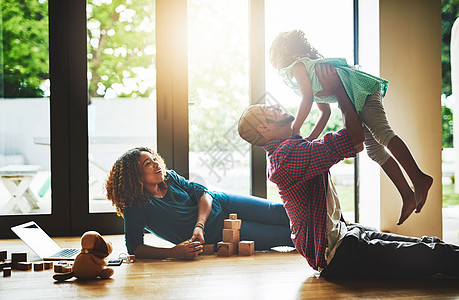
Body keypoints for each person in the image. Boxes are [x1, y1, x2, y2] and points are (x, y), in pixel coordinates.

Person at [238, 63, 459, 279]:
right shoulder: (287, 157)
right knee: (434, 255)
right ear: (263, 128)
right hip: (338, 254)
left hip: (345, 234)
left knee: (430, 245)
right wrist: (340, 88)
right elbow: (355, 137)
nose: (275, 107)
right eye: (269, 110)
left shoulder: (289, 149)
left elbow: (355, 144)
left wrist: (329, 96)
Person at [269, 30, 432, 225]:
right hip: (355, 99)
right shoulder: (311, 73)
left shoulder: (298, 66)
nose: (276, 67)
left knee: (382, 133)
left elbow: (307, 99)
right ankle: (407, 194)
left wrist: (295, 130)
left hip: (363, 91)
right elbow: (325, 113)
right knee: (375, 151)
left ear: (284, 52)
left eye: (274, 60)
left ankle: (419, 177)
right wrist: (308, 141)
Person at [105, 147, 294, 259]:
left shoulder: (170, 178)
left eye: (155, 159)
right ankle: (323, 245)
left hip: (223, 203)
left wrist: (198, 225)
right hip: (218, 234)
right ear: (135, 175)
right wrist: (173, 252)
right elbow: (135, 248)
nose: (156, 164)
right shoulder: (135, 206)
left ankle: (323, 222)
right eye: (148, 163)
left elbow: (204, 194)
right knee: (284, 235)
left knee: (280, 211)